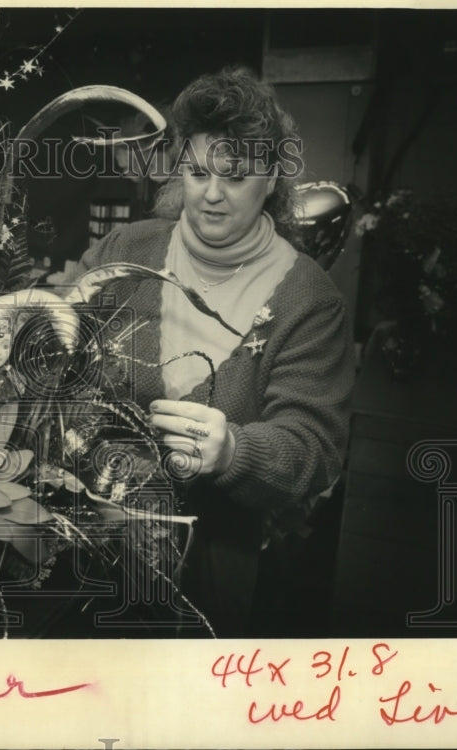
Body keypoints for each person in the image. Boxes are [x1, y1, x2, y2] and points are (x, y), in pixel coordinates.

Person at [72, 66, 356, 635]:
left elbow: (315, 448)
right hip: (92, 543)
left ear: (273, 177)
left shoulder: (308, 299)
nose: (211, 194)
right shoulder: (129, 248)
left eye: (236, 175)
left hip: (218, 565)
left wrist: (234, 452)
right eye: (198, 171)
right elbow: (62, 345)